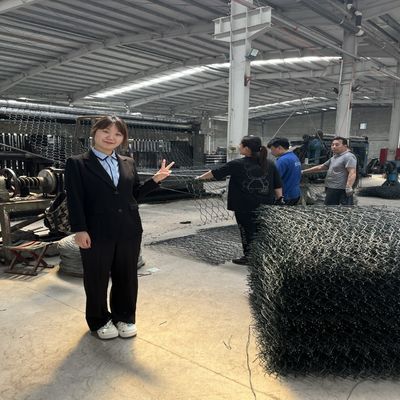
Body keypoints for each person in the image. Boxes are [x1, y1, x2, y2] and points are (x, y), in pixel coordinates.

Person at [65, 116, 174, 340]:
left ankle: (124, 317)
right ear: (94, 132)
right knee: (97, 277)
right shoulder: (77, 163)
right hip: (95, 231)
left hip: (128, 229)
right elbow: (74, 199)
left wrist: (155, 180)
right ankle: (99, 320)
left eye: (117, 134)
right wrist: (80, 229)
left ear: (123, 138)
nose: (111, 137)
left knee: (126, 276)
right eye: (106, 131)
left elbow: (133, 195)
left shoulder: (127, 162)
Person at [196, 135, 283, 265]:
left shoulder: (237, 164)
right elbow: (277, 185)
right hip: (266, 204)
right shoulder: (270, 163)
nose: (239, 147)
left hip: (244, 206)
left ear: (247, 148)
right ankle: (263, 254)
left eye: (241, 145)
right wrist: (280, 199)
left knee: (247, 231)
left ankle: (249, 257)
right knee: (261, 229)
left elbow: (215, 173)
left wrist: (199, 178)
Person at [302, 136, 357, 205]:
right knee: (329, 207)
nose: (334, 147)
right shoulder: (335, 157)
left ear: (345, 146)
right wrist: (304, 171)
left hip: (340, 190)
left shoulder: (348, 157)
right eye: (332, 145)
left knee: (339, 209)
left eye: (337, 145)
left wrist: (348, 187)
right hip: (331, 187)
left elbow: (352, 172)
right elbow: (321, 167)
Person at [267, 137, 302, 205]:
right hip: (295, 194)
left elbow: (274, 179)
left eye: (272, 149)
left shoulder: (282, 161)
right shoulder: (294, 157)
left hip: (285, 196)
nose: (271, 152)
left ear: (279, 148)